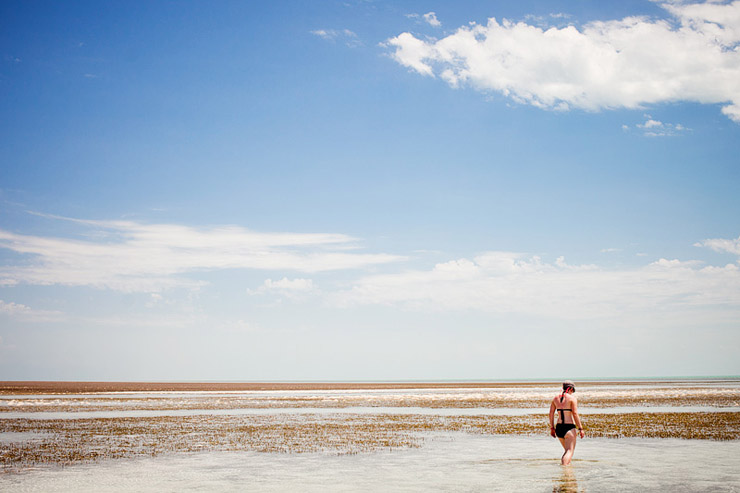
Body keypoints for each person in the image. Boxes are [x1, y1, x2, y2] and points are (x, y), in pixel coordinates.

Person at [549, 380, 585, 465]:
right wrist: (581, 428)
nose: (572, 392)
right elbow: (575, 414)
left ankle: (567, 470)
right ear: (569, 388)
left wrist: (552, 428)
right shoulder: (572, 399)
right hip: (569, 427)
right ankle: (565, 470)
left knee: (566, 451)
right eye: (573, 390)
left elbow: (551, 414)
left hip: (559, 428)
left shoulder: (555, 398)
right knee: (569, 451)